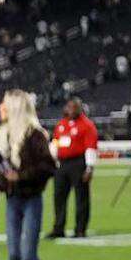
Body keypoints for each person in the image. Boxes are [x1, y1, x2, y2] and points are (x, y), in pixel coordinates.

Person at [0, 89, 73, 260]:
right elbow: (4, 171)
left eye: (5, 105)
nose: (1, 109)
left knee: (28, 256)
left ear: (15, 108)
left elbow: (49, 166)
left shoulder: (34, 134)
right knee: (14, 259)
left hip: (30, 199)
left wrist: (19, 177)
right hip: (14, 200)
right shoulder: (4, 134)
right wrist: (5, 177)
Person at [48, 98, 98, 238]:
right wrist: (52, 157)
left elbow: (90, 147)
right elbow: (55, 141)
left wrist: (89, 168)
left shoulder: (87, 125)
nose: (71, 110)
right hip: (62, 164)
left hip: (78, 163)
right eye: (69, 107)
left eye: (74, 107)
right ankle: (58, 227)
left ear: (80, 108)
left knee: (81, 197)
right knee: (59, 196)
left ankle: (80, 229)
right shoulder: (61, 124)